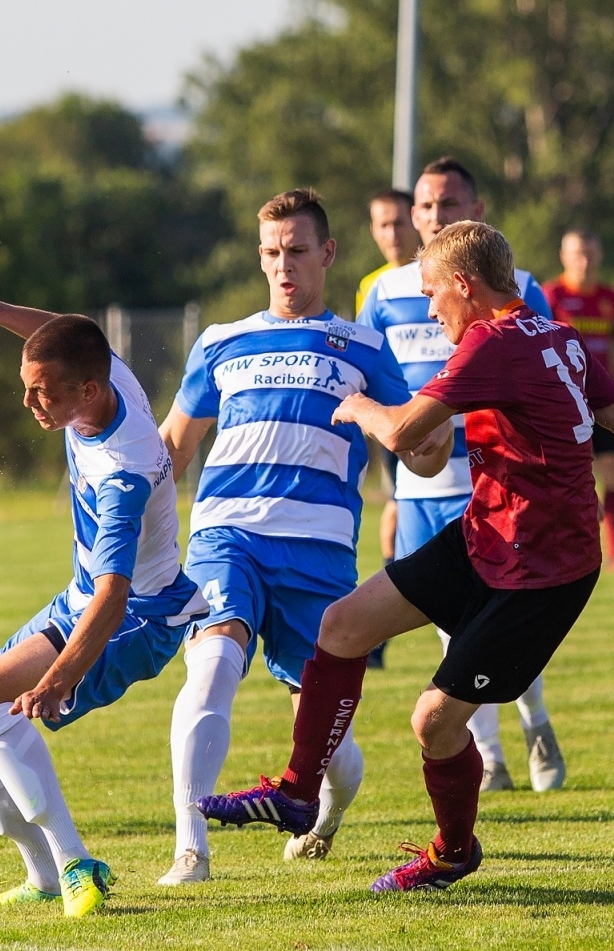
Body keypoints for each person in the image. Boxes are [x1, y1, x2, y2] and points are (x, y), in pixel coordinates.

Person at [199, 221, 614, 892]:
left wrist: (358, 405)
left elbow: (403, 432)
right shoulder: (557, 335)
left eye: (432, 293)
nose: (430, 310)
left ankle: (453, 852)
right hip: (486, 533)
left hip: (543, 574)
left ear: (463, 284)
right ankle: (296, 793)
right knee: (342, 625)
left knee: (433, 721)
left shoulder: (492, 341)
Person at [156, 189, 449, 884]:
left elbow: (417, 445)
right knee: (212, 664)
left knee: (327, 744)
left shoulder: (365, 347)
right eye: (270, 252)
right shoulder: (220, 341)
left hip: (318, 555)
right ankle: (190, 848)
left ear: (327, 253)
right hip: (227, 535)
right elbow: (172, 447)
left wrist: (432, 442)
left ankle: (328, 811)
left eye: (295, 250)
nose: (282, 265)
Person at [0, 250, 209, 917]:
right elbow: (63, 330)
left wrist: (59, 678)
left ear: (88, 391)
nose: (29, 401)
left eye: (43, 392)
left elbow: (115, 597)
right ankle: (41, 875)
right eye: (28, 385)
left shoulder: (124, 473)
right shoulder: (105, 375)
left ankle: (73, 862)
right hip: (84, 597)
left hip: (137, 619)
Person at [358, 156, 564, 793]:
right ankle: (492, 757)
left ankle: (534, 717)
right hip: (420, 491)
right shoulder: (382, 293)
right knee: (454, 632)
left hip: (495, 487)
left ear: (475, 212)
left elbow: (554, 379)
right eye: (424, 206)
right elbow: (373, 381)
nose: (433, 216)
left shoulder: (521, 286)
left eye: (448, 205)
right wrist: (390, 479)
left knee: (500, 626)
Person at [543, 229, 614, 572]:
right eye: (577, 254)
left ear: (599, 256)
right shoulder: (551, 296)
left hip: (599, 402)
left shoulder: (609, 299)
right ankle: (559, 549)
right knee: (564, 479)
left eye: (590, 254)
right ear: (563, 256)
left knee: (611, 473)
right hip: (561, 403)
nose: (584, 261)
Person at [356, 188, 421, 659]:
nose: (392, 233)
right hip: (398, 417)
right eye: (382, 224)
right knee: (396, 507)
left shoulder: (435, 274)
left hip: (447, 420)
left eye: (399, 222)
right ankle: (380, 627)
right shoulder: (373, 285)